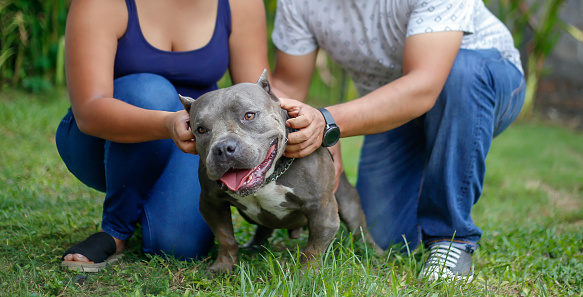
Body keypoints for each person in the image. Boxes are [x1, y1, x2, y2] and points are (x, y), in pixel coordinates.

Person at [271, 0, 525, 281]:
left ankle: (450, 238)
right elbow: (291, 85)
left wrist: (329, 121)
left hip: (478, 81)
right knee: (384, 235)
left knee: (461, 72)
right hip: (392, 106)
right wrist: (305, 123)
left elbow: (425, 84)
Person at [56, 0, 270, 272]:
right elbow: (89, 110)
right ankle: (115, 231)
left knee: (179, 247)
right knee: (150, 91)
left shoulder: (240, 4)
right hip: (100, 141)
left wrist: (313, 126)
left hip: (189, 140)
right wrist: (167, 123)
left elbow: (258, 97)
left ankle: (150, 206)